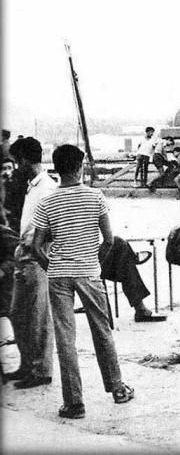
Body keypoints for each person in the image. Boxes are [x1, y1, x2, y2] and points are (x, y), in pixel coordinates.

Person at [32, 144, 135, 419]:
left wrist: (52, 265)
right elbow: (110, 239)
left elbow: (36, 245)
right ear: (80, 166)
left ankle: (74, 403)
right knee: (102, 331)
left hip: (58, 276)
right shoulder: (95, 196)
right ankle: (118, 389)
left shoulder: (47, 201)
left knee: (65, 338)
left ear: (56, 168)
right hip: (89, 271)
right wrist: (95, 262)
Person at [6, 137, 57, 388]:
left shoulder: (47, 188)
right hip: (23, 257)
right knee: (18, 314)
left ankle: (40, 370)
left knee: (37, 318)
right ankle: (28, 364)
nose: (16, 166)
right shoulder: (32, 187)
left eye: (17, 162)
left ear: (25, 160)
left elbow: (47, 227)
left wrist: (29, 245)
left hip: (36, 258)